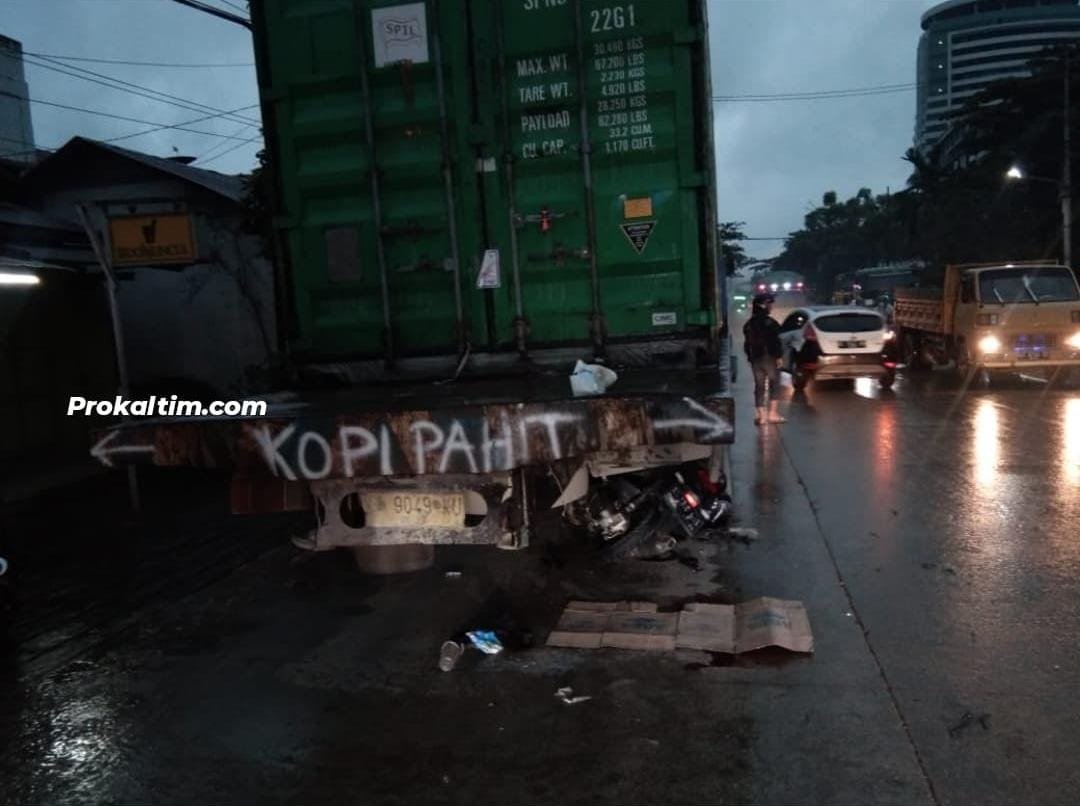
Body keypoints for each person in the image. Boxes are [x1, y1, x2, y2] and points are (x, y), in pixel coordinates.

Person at [743, 293, 785, 425]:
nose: (771, 307)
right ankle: (773, 414)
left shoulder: (749, 324)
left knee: (759, 386)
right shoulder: (770, 323)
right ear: (763, 305)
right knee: (774, 384)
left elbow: (746, 344)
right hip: (769, 357)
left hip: (755, 358)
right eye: (769, 304)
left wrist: (750, 357)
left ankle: (761, 416)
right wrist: (778, 356)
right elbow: (776, 341)